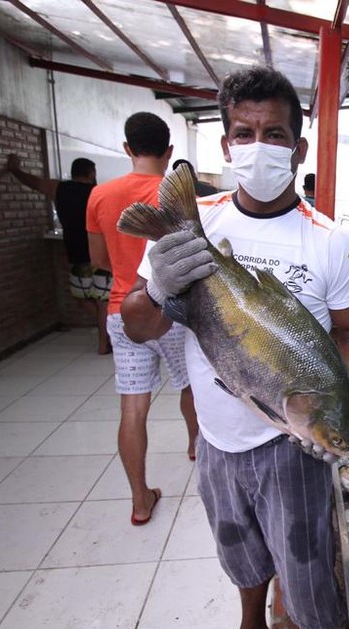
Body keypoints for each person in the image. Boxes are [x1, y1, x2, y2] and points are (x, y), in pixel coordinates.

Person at [121, 67, 349, 629]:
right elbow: (139, 326)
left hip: (291, 444)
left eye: (275, 134)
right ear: (227, 145)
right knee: (237, 548)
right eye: (245, 132)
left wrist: (326, 416)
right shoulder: (195, 222)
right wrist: (157, 286)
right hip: (216, 436)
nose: (259, 145)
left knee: (305, 563)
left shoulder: (334, 243)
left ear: (298, 148)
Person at [85, 112, 199, 525]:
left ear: (127, 148)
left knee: (133, 406)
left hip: (122, 311)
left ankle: (139, 499)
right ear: (169, 151)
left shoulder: (99, 195)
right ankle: (195, 447)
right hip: (173, 311)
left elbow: (97, 259)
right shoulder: (177, 197)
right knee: (191, 386)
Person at [5, 154, 111, 354]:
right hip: (100, 254)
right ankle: (104, 338)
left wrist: (15, 170)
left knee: (80, 297)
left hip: (76, 254)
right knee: (103, 300)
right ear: (91, 173)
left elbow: (33, 182)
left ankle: (104, 334)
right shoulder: (99, 192)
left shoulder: (58, 188)